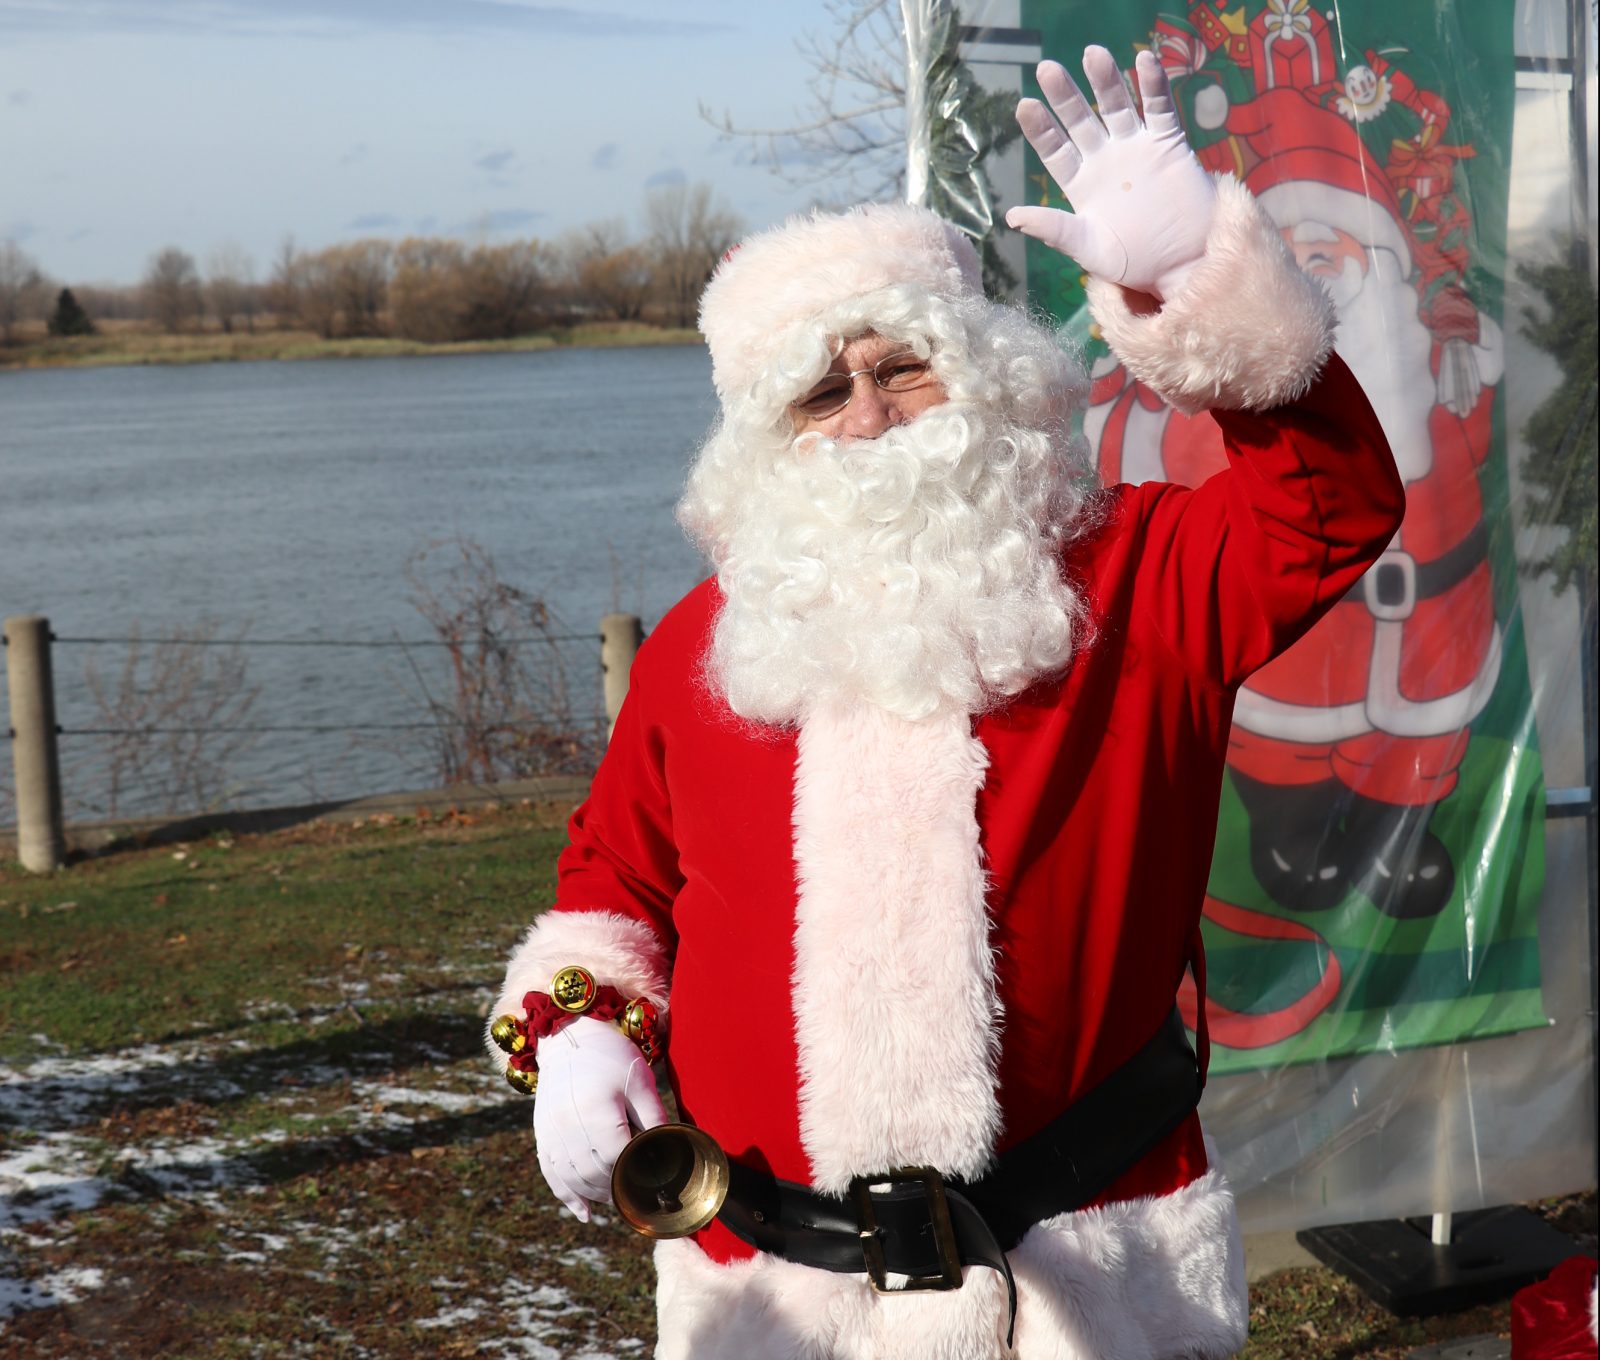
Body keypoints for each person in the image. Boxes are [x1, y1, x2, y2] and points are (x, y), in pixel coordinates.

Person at [487, 47, 1403, 1360]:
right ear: (771, 435)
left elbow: (1331, 510)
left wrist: (1195, 283)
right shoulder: (706, 646)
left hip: (1084, 1265)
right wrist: (577, 1034)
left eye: (903, 365)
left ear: (982, 374)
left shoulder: (1136, 577)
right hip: (773, 1289)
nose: (869, 414)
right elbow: (615, 876)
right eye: (823, 387)